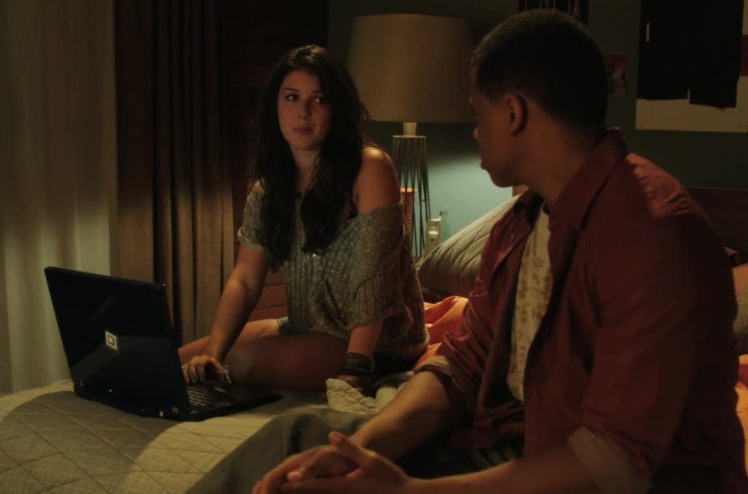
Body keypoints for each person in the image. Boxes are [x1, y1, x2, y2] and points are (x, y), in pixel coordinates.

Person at [189, 10, 748, 494]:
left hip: (610, 477)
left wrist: (409, 490)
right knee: (302, 436)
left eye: (478, 115)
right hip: (511, 438)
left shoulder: (652, 234)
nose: (475, 133)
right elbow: (464, 363)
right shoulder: (521, 223)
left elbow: (615, 462)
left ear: (514, 113)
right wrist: (361, 449)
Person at [179, 44, 427, 391]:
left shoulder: (369, 167)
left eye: (319, 99)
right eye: (292, 97)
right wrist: (213, 355)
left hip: (375, 344)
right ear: (276, 104)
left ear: (337, 108)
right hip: (308, 326)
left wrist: (355, 369)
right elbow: (245, 281)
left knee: (246, 363)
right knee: (181, 360)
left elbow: (376, 279)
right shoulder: (270, 187)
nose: (303, 112)